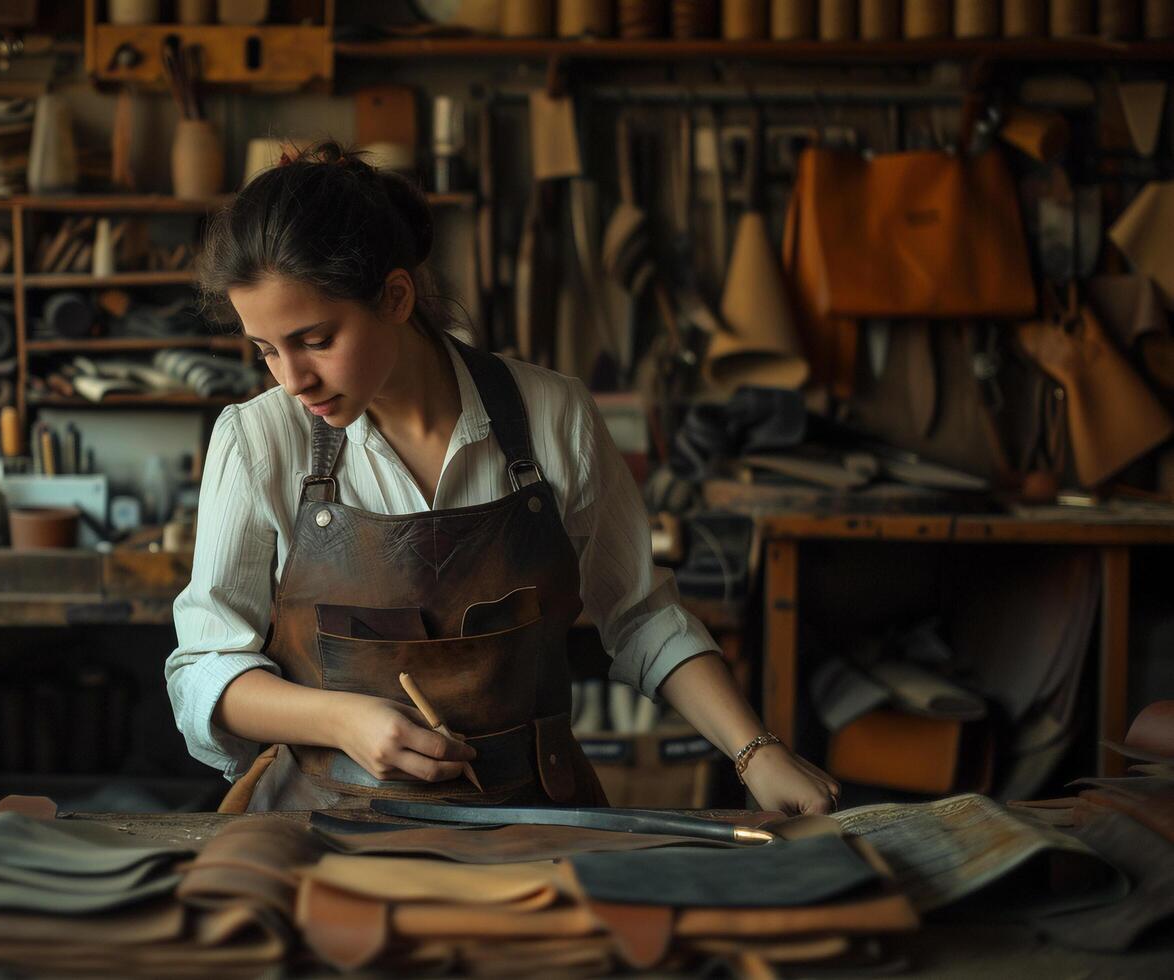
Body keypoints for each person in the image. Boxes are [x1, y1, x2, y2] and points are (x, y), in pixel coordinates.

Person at [166, 142, 838, 815]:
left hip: (532, 816)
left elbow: (641, 617)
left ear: (396, 297)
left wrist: (758, 754)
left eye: (315, 340)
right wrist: (342, 721)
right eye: (265, 349)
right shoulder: (258, 439)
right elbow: (203, 671)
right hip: (319, 826)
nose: (291, 379)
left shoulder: (554, 415)